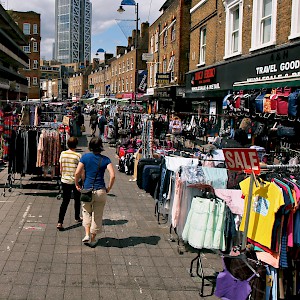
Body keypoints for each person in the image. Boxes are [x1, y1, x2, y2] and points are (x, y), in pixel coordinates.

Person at [75, 137, 115, 244]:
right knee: (97, 215)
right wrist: (108, 188)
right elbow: (112, 176)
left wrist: (77, 183)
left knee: (86, 212)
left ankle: (87, 234)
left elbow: (77, 173)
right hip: (100, 190)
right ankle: (93, 239)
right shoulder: (106, 159)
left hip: (87, 190)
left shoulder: (85, 157)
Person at [57, 137, 82, 231]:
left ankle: (60, 222)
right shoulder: (78, 155)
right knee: (77, 199)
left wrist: (63, 175)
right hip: (76, 181)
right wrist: (82, 179)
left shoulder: (63, 154)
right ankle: (77, 217)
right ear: (76, 144)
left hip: (65, 180)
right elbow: (80, 170)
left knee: (65, 201)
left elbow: (61, 168)